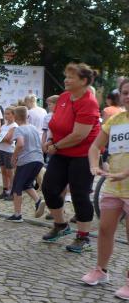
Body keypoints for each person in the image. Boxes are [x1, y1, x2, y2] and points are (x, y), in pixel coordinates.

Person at [41, 63, 101, 252]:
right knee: (49, 188)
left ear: (83, 81)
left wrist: (55, 146)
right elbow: (55, 123)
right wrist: (51, 140)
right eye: (66, 76)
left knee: (79, 194)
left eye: (71, 77)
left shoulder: (89, 102)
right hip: (61, 152)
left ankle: (83, 237)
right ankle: (61, 225)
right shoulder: (64, 97)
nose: (66, 80)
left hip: (83, 154)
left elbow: (79, 135)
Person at [83, 77, 129, 298]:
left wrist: (125, 173)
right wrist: (94, 165)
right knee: (104, 228)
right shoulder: (116, 120)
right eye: (125, 93)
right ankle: (101, 270)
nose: (128, 97)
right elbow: (95, 146)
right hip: (114, 185)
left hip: (124, 180)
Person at [4, 106, 45, 222]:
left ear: (15, 116)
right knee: (27, 184)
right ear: (27, 116)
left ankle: (17, 215)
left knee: (17, 187)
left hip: (27, 160)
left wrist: (14, 157)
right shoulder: (33, 128)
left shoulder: (19, 129)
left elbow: (20, 144)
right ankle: (38, 201)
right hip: (39, 160)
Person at [0, 106, 18, 199]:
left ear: (13, 115)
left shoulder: (14, 126)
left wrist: (0, 138)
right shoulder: (3, 126)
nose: (6, 116)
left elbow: (9, 139)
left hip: (9, 151)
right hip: (1, 149)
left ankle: (12, 192)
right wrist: (1, 138)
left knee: (10, 172)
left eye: (8, 114)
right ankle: (5, 190)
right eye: (5, 113)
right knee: (3, 171)